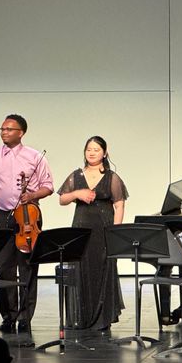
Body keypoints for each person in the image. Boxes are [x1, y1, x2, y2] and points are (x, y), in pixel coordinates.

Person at [0, 114, 53, 333]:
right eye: (2, 129)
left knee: (28, 267)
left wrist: (31, 195)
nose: (4, 132)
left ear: (21, 132)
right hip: (0, 216)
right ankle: (8, 316)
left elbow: (48, 186)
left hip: (28, 215)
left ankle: (25, 316)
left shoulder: (35, 157)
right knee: (4, 269)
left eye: (9, 129)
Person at [58, 136, 128, 331]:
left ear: (104, 153)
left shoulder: (111, 177)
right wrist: (77, 194)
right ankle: (82, 317)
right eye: (89, 149)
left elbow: (119, 204)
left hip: (103, 230)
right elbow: (62, 199)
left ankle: (102, 318)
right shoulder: (76, 175)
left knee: (102, 269)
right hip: (81, 229)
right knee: (81, 270)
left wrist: (115, 232)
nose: (92, 152)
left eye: (96, 149)